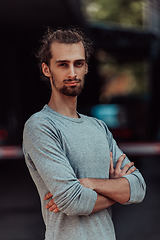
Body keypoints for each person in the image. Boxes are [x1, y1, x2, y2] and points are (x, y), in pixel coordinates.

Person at [23, 27, 146, 240]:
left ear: (86, 67)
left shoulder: (98, 127)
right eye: (63, 64)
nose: (72, 73)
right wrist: (119, 193)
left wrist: (89, 183)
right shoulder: (40, 126)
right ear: (46, 69)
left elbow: (139, 187)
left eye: (78, 63)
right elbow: (73, 201)